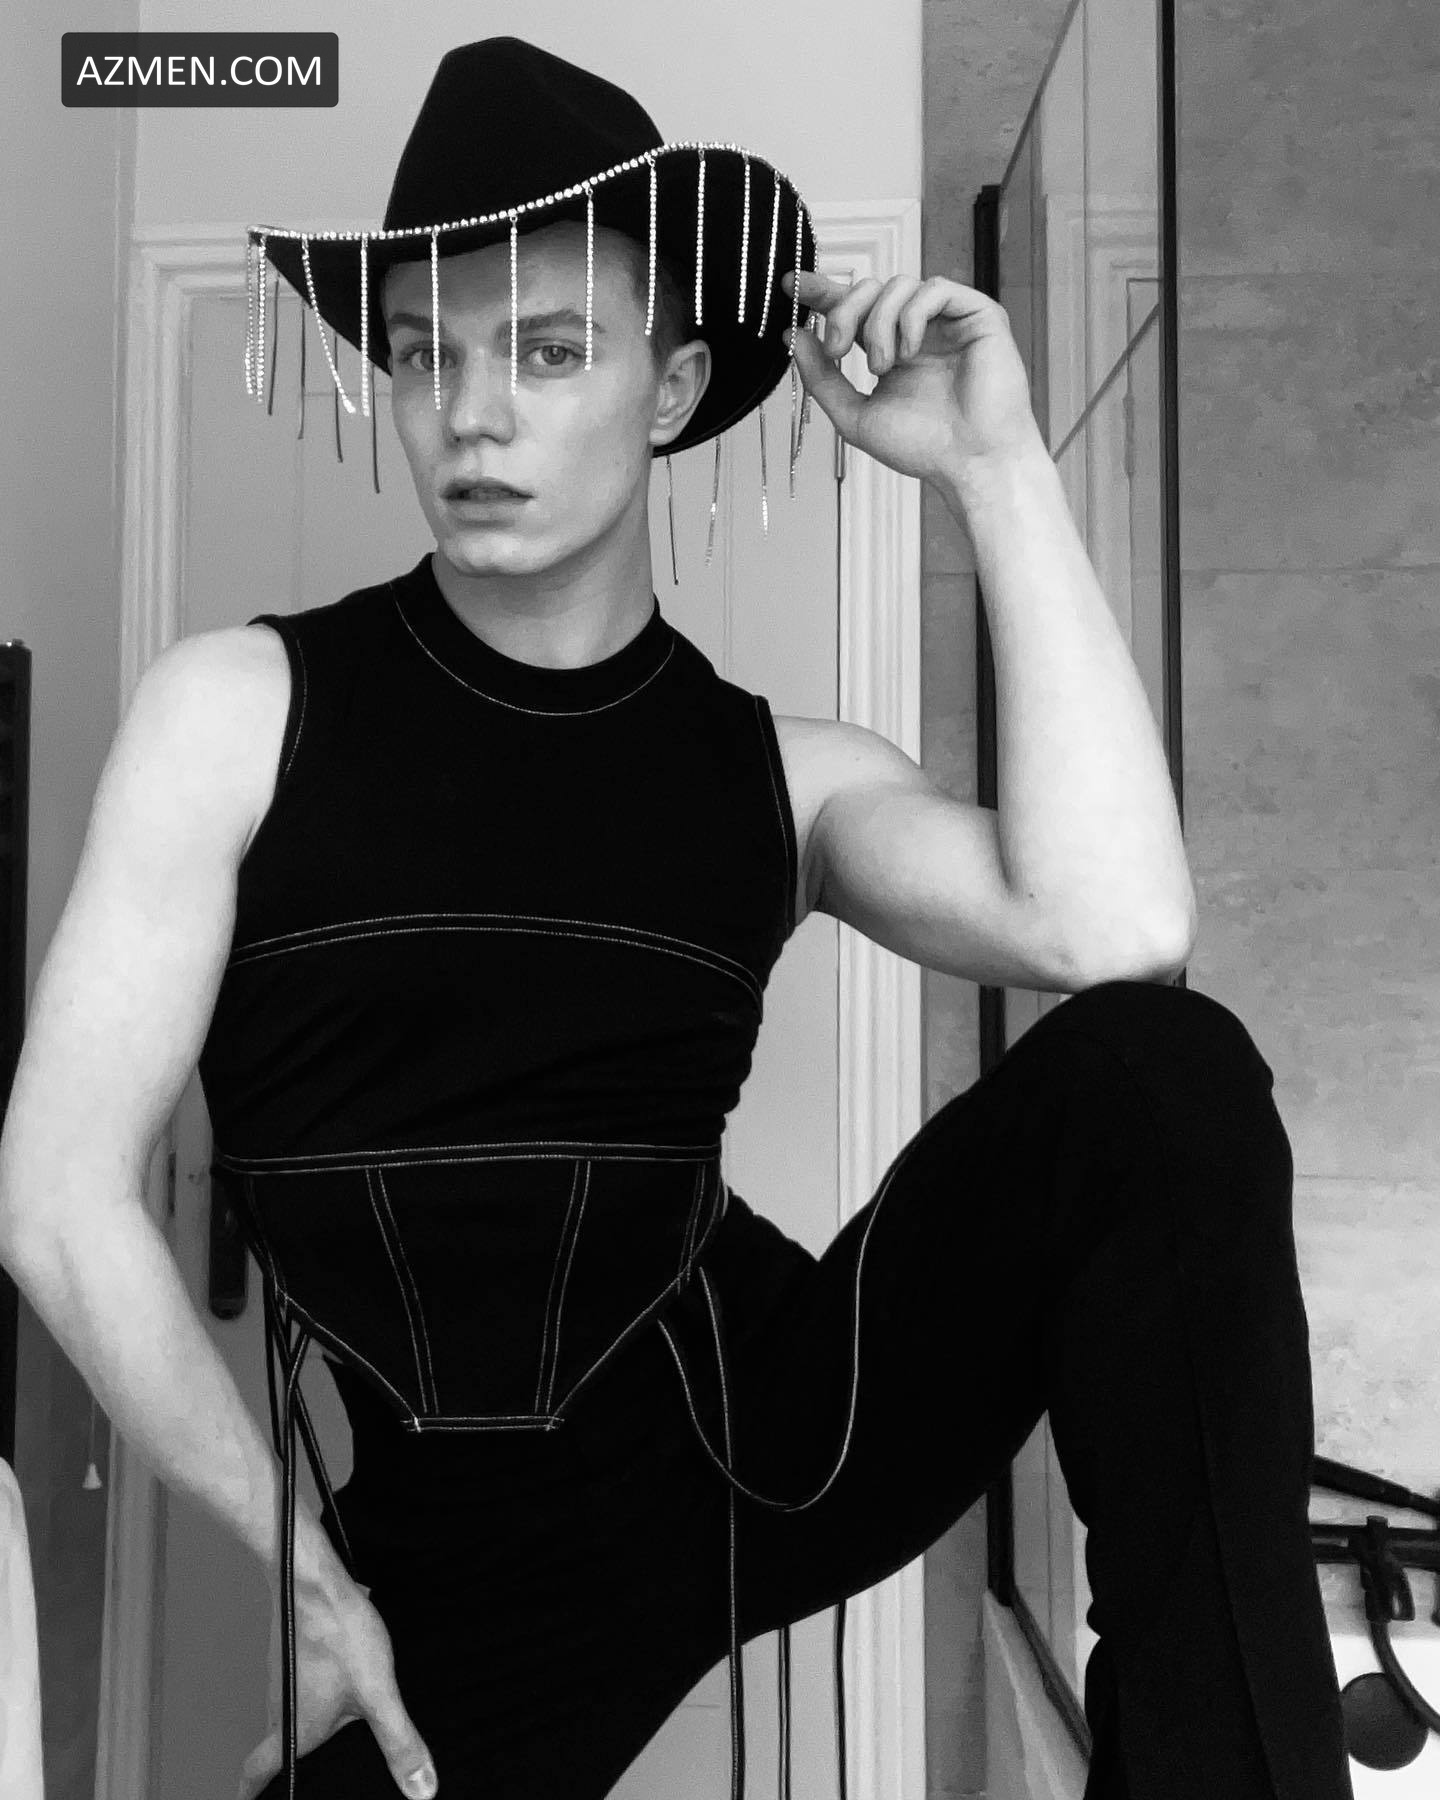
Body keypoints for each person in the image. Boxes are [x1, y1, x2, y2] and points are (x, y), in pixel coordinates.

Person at [0, 35, 1354, 1800]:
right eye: (422, 352)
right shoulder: (237, 712)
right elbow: (57, 1200)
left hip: (764, 1437)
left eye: (550, 349)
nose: (470, 413)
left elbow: (1116, 931)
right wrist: (305, 1575)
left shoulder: (782, 778)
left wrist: (997, 467)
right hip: (454, 1578)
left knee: (1162, 1078)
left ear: (671, 384)